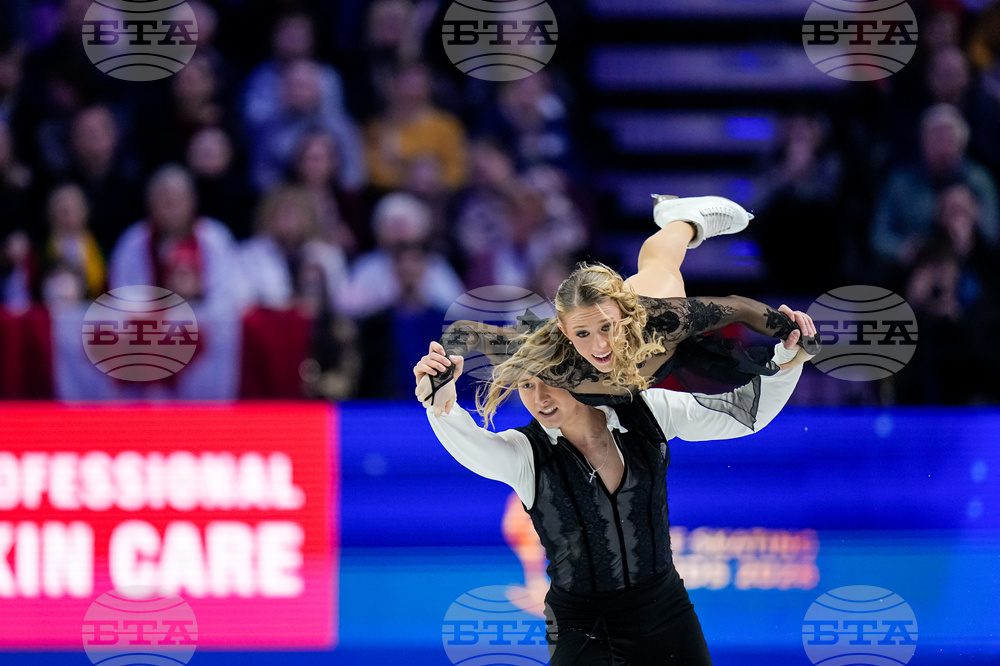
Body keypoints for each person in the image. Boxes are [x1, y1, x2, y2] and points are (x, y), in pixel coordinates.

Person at [413, 303, 815, 664]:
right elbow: (466, 440)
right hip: (582, 626)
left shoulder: (648, 412)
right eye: (526, 384)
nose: (539, 398)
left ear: (576, 373)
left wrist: (787, 357)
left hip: (666, 610)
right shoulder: (525, 454)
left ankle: (684, 224)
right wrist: (440, 395)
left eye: (549, 379)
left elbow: (745, 413)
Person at [420, 195, 819, 427]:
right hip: (615, 341)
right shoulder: (550, 357)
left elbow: (740, 308)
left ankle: (682, 220)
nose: (599, 346)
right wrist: (446, 364)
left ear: (622, 315)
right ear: (562, 328)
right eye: (581, 334)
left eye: (606, 328)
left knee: (660, 269)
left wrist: (790, 327)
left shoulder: (663, 320)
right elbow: (467, 333)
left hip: (651, 329)